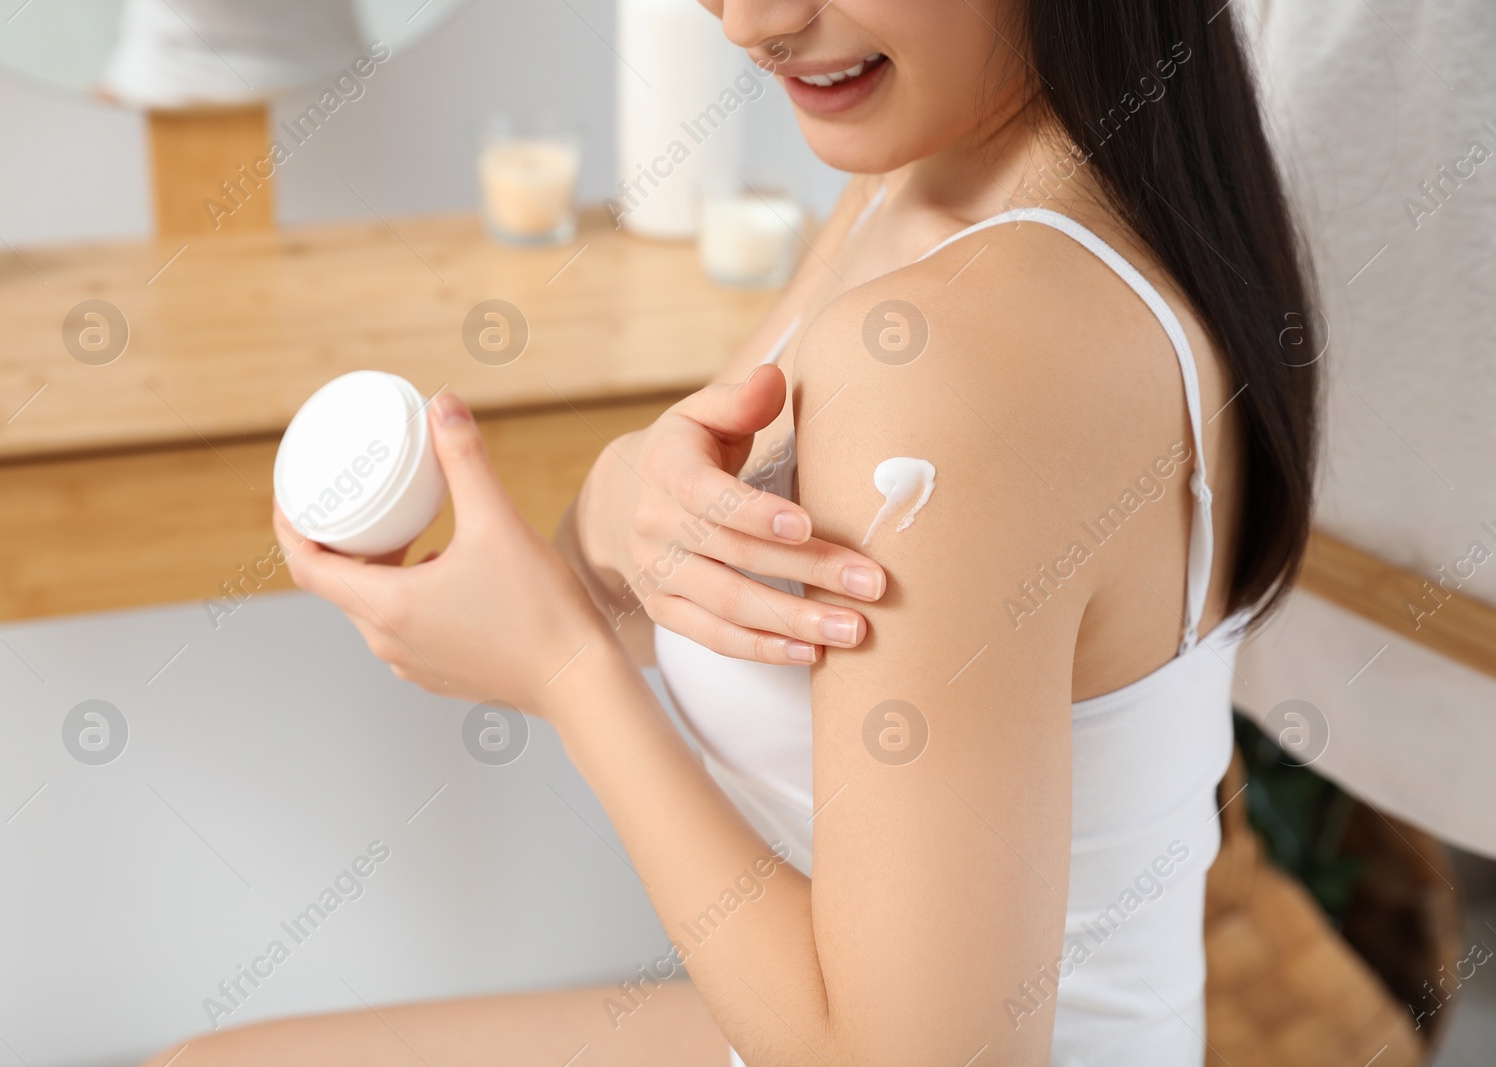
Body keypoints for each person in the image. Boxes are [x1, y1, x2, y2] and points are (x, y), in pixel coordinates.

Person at [146, 0, 1316, 1063]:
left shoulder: (961, 354)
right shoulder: (916, 190)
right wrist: (624, 502)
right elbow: (649, 583)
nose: (749, 21)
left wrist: (564, 670)